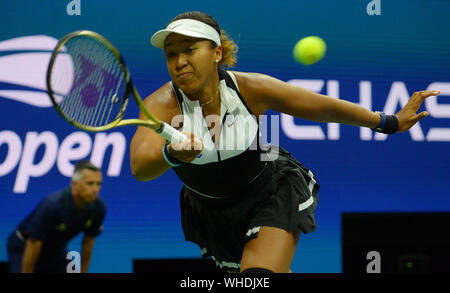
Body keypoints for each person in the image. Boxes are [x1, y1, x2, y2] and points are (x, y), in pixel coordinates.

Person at [130, 11, 439, 273]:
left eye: (189, 49)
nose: (180, 61)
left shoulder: (252, 88)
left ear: (217, 52)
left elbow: (323, 107)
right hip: (212, 212)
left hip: (269, 194)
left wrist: (389, 122)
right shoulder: (161, 105)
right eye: (171, 53)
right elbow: (140, 167)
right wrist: (171, 153)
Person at [6, 161, 106, 273]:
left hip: (55, 250)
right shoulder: (53, 205)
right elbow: (33, 244)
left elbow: (88, 244)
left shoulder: (98, 208)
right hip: (24, 245)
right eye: (90, 183)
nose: (95, 189)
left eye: (98, 184)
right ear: (74, 184)